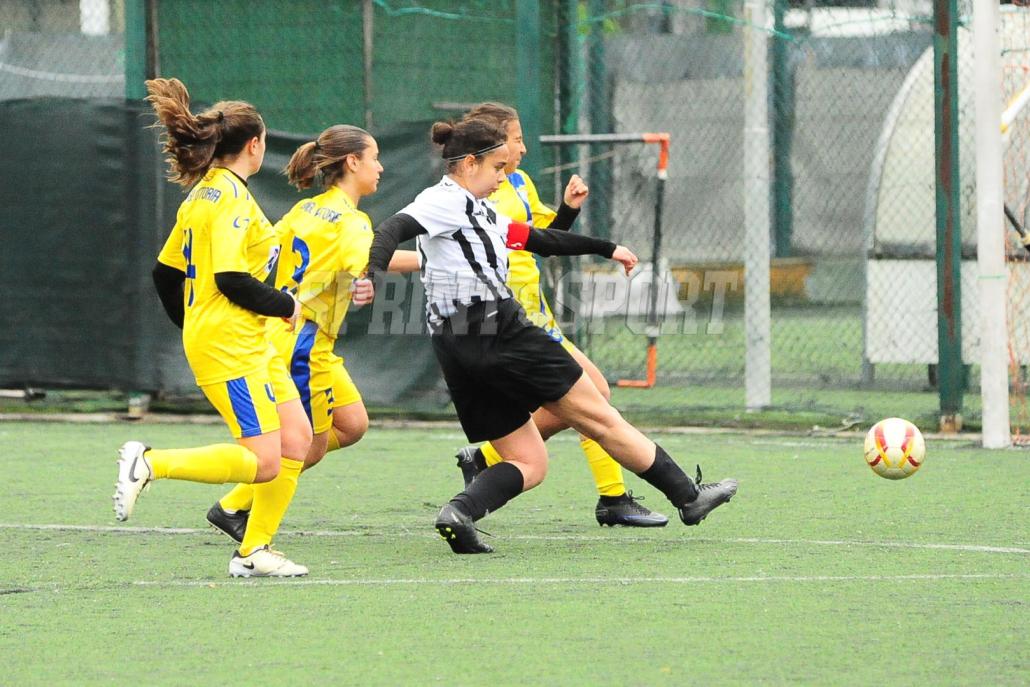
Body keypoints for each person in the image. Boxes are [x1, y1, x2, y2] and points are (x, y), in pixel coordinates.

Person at [356, 117, 738, 554]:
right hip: (499, 328)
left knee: (529, 461)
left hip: (454, 343)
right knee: (600, 416)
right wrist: (371, 273)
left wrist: (605, 247)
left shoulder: (477, 210)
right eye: (497, 167)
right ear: (469, 163)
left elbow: (536, 239)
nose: (503, 176)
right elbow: (392, 229)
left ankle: (459, 513)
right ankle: (688, 496)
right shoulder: (444, 201)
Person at [113, 78, 311, 577]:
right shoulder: (227, 198)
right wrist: (284, 304)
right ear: (254, 145)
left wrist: (196, 324)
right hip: (232, 345)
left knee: (297, 439)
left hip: (246, 340)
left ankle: (254, 552)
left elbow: (165, 274)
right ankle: (151, 463)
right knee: (264, 461)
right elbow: (230, 278)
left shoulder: (204, 194)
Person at [454, 102, 666, 527]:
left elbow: (546, 237)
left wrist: (567, 209)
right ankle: (612, 497)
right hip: (510, 318)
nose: (523, 148)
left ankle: (488, 458)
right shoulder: (475, 194)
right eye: (516, 140)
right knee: (593, 395)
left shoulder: (518, 181)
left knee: (587, 399)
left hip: (536, 312)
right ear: (493, 145)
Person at [204, 124, 418, 543]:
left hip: (287, 333)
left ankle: (238, 503)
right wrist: (435, 261)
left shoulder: (306, 209)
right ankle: (233, 507)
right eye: (374, 158)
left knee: (352, 424)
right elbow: (369, 257)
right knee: (308, 447)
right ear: (352, 162)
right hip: (305, 344)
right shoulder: (351, 221)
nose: (380, 167)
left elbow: (268, 250)